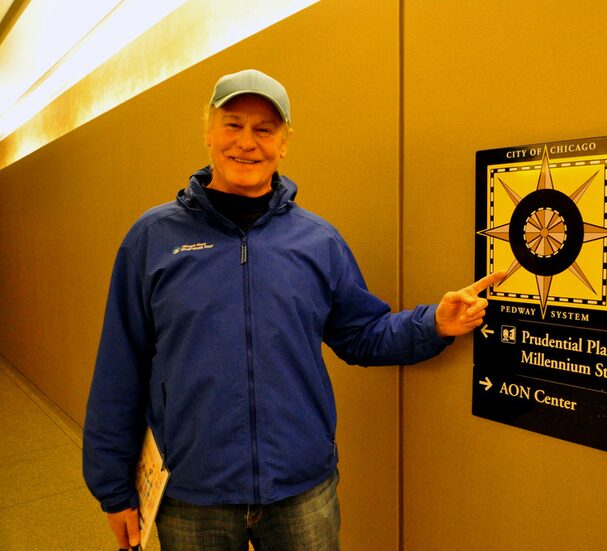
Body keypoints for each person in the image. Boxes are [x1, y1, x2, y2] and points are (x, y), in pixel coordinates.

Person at [83, 69, 504, 550]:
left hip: (302, 488)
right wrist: (113, 489)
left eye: (264, 130)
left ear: (284, 143)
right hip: (193, 489)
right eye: (232, 124)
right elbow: (120, 367)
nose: (247, 142)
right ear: (208, 134)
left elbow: (361, 333)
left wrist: (434, 323)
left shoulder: (317, 241)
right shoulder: (152, 239)